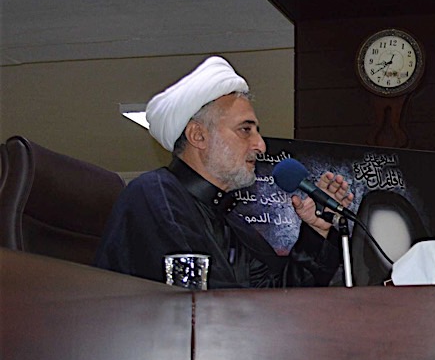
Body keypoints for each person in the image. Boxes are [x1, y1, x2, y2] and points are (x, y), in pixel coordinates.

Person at [95, 57, 353, 289]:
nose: (261, 145)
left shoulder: (230, 219)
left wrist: (316, 231)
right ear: (198, 135)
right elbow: (207, 305)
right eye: (245, 130)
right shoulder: (154, 195)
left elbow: (277, 296)